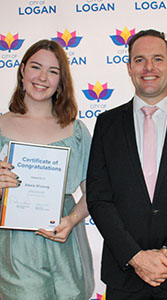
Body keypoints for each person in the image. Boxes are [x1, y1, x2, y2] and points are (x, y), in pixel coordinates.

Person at [86, 29, 167, 300]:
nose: (149, 67)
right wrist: (135, 257)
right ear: (129, 67)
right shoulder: (107, 124)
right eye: (140, 60)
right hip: (124, 276)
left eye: (158, 59)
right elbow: (99, 198)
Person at [0, 40, 94, 299]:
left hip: (65, 243)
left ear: (61, 80)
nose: (42, 78)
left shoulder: (77, 131)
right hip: (13, 251)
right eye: (36, 67)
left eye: (53, 71)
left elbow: (94, 192)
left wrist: (72, 220)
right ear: (21, 70)